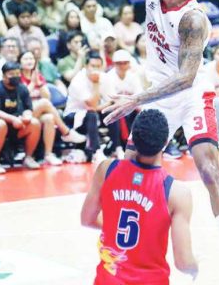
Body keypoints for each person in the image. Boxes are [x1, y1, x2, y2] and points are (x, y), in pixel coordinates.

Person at [84, 0, 219, 281]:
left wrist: (137, 98)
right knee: (129, 167)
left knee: (209, 169)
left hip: (190, 93)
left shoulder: (193, 20)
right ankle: (122, 244)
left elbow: (188, 77)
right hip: (157, 94)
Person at [80, 109, 198, 284]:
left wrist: (115, 228)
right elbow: (183, 263)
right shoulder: (176, 192)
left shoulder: (106, 169)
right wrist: (194, 266)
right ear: (165, 143)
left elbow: (87, 220)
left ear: (132, 139)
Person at [0, 62, 42, 173]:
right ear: (4, 76)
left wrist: (27, 116)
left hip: (18, 126)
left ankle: (28, 158)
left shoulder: (23, 89)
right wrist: (13, 119)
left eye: (17, 73)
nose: (15, 76)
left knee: (34, 123)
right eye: (11, 74)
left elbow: (28, 107)